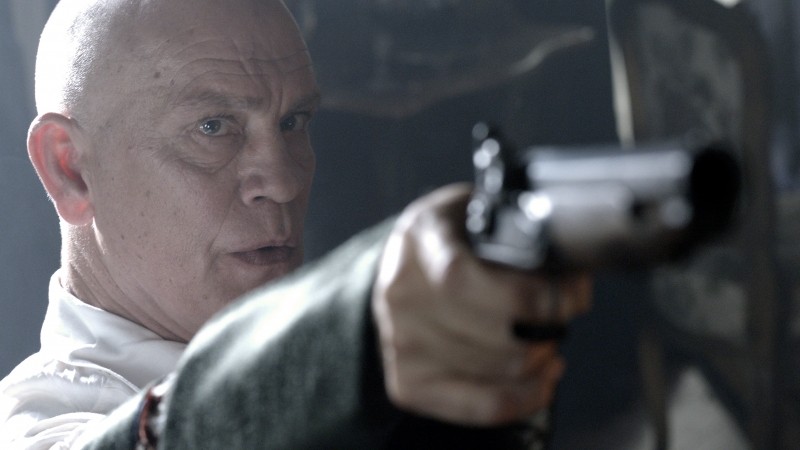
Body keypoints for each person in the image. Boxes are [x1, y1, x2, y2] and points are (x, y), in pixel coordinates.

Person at [0, 0, 591, 448]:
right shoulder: (38, 423)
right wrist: (350, 345)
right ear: (70, 170)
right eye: (212, 127)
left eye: (293, 122)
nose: (283, 181)